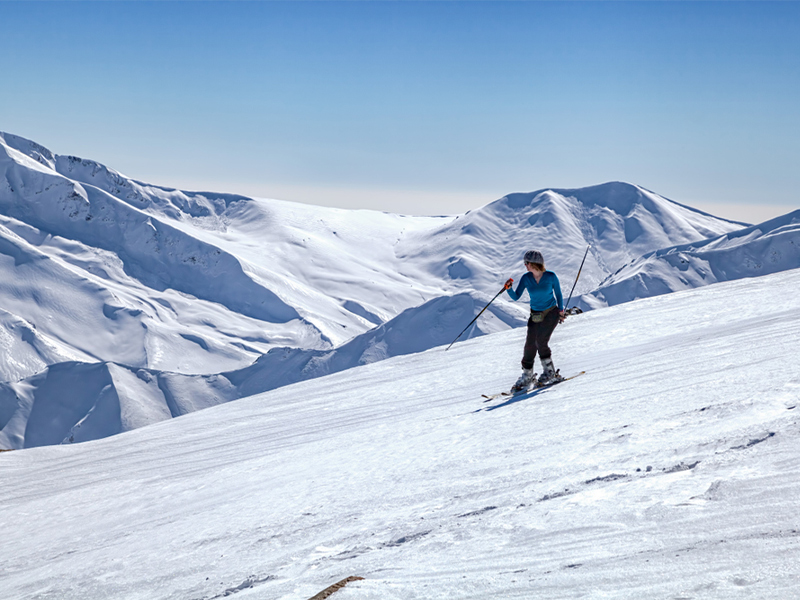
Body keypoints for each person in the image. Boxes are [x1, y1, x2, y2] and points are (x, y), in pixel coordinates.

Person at [504, 249, 566, 391]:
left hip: (551, 312)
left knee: (541, 341)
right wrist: (509, 289)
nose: (525, 265)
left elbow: (558, 294)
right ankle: (527, 376)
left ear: (534, 263)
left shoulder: (550, 276)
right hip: (536, 314)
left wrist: (561, 310)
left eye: (527, 263)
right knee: (529, 345)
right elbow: (516, 296)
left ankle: (550, 372)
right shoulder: (526, 278)